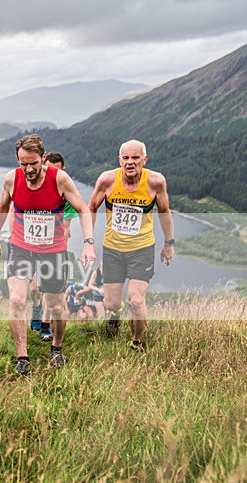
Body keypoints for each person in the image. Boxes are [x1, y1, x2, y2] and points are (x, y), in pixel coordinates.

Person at [0, 134, 95, 376]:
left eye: (33, 163)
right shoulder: (11, 180)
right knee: (16, 300)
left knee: (56, 307)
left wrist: (89, 242)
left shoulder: (60, 180)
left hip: (53, 250)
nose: (28, 169)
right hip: (20, 247)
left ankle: (56, 349)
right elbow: (2, 207)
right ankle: (23, 357)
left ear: (43, 158)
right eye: (22, 163)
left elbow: (82, 209)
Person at [87, 140, 174, 351]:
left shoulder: (155, 182)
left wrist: (168, 244)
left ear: (144, 160)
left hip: (141, 250)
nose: (130, 162)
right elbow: (91, 207)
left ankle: (137, 342)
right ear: (120, 160)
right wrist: (88, 242)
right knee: (112, 304)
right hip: (113, 250)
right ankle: (114, 317)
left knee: (135, 300)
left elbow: (164, 212)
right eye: (125, 158)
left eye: (135, 158)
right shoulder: (107, 180)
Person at [29, 151, 76, 341]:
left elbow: (65, 229)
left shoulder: (67, 192)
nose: (53, 175)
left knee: (51, 291)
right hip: (32, 245)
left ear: (63, 171)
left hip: (55, 246)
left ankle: (45, 325)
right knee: (33, 289)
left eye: (57, 171)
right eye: (49, 170)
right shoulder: (35, 187)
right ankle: (36, 307)